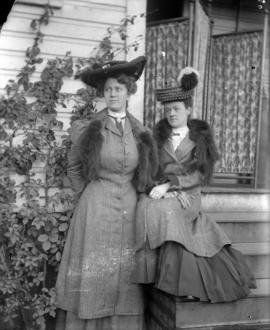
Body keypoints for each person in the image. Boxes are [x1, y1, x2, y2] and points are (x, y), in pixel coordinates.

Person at [133, 67, 256, 303]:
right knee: (149, 206)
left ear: (188, 110)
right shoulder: (156, 137)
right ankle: (152, 277)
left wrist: (173, 186)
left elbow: (202, 173)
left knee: (167, 212)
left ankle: (183, 282)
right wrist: (161, 188)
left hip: (189, 194)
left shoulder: (200, 137)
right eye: (168, 110)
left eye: (176, 109)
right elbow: (149, 170)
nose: (171, 114)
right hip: (164, 191)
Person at [55, 56, 158, 330]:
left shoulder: (140, 131)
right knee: (95, 272)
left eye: (119, 89)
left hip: (129, 208)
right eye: (109, 89)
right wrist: (88, 196)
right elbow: (74, 168)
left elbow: (145, 174)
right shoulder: (90, 127)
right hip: (96, 209)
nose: (113, 94)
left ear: (128, 92)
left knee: (124, 274)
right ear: (103, 93)